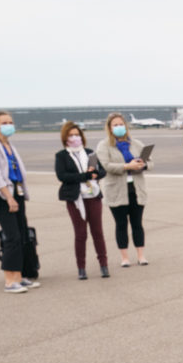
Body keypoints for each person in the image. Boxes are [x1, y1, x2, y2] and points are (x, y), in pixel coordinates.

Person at [0, 111, 37, 293]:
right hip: (3, 197)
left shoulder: (8, 145)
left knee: (21, 235)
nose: (9, 125)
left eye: (10, 122)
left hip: (17, 193)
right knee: (12, 237)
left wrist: (18, 195)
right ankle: (9, 280)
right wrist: (8, 197)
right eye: (4, 123)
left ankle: (19, 276)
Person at [53, 122, 109, 280]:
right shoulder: (61, 156)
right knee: (80, 234)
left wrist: (95, 174)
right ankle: (81, 268)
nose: (75, 138)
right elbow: (62, 176)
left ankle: (103, 265)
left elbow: (102, 171)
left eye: (77, 135)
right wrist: (85, 176)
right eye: (71, 135)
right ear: (65, 138)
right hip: (75, 199)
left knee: (97, 232)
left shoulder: (90, 153)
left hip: (93, 196)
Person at [96, 113, 149, 267]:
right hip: (116, 190)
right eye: (115, 125)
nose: (119, 127)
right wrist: (127, 166)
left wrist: (142, 164)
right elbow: (106, 166)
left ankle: (141, 255)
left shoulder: (136, 143)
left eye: (121, 124)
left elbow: (150, 162)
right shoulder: (104, 145)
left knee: (137, 223)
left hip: (136, 189)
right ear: (109, 128)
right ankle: (125, 257)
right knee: (121, 224)